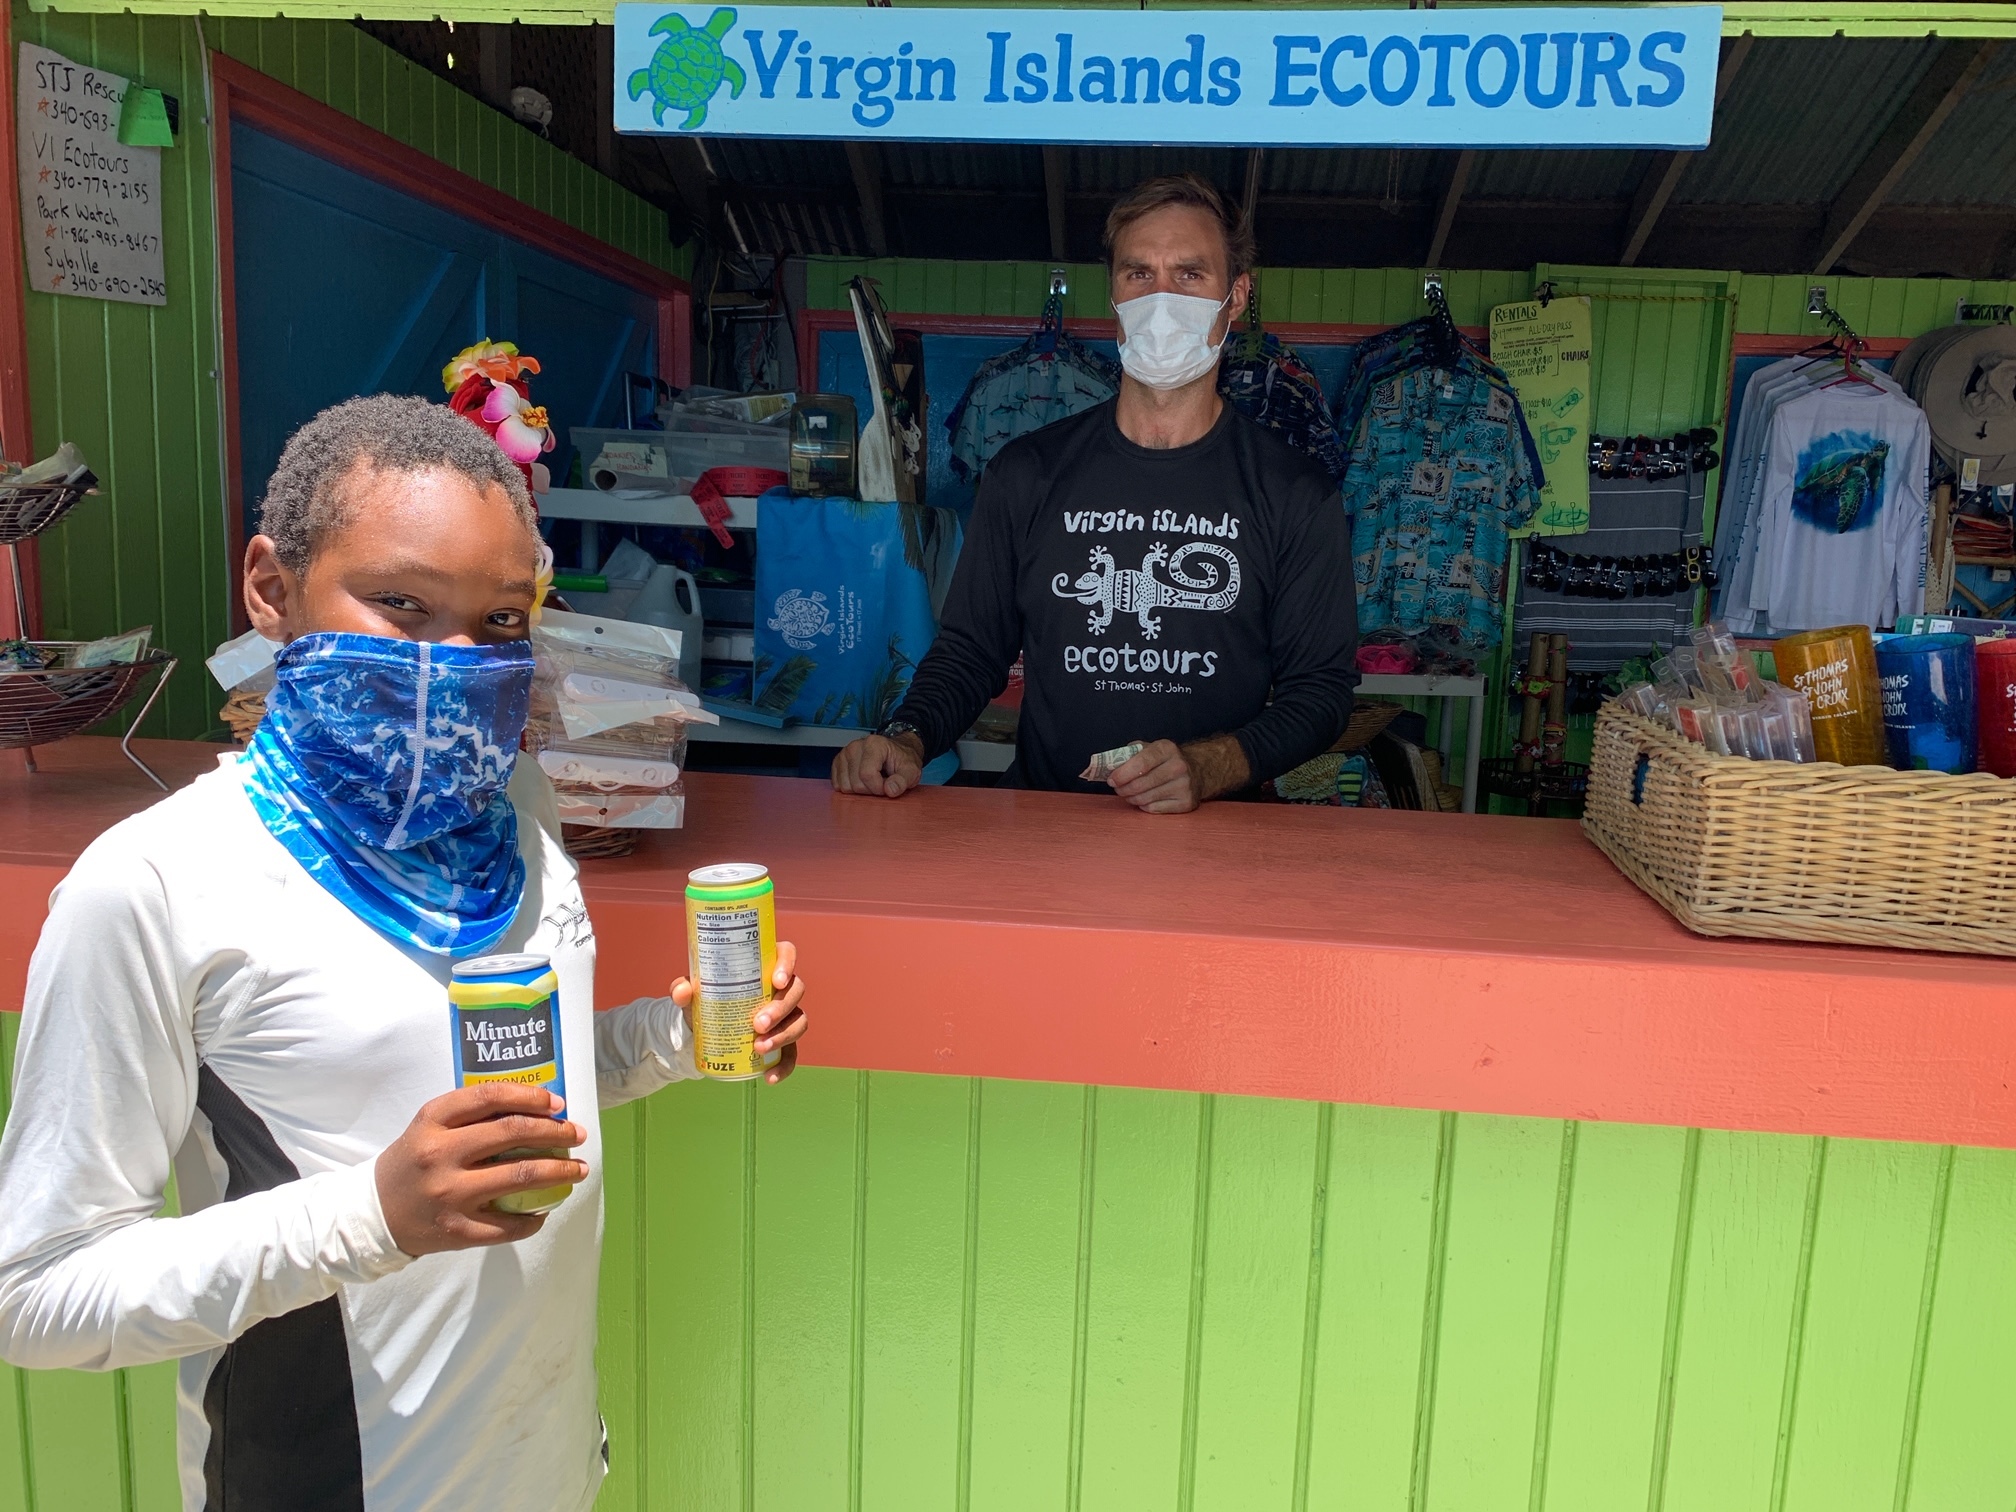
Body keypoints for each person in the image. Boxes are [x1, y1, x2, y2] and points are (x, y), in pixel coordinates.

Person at [0, 394, 807, 1512]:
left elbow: (512, 1093)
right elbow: (36, 1294)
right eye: (401, 605)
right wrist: (367, 1217)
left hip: (547, 1471)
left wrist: (678, 1040)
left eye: (501, 624)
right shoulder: (154, 886)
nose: (455, 665)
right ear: (271, 589)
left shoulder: (515, 803)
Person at [832, 173, 1358, 812]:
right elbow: (972, 651)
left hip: (1218, 839)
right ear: (1113, 290)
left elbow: (1321, 692)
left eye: (1190, 275)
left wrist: (1212, 765)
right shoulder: (1027, 472)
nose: (1161, 299)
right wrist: (906, 737)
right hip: (1050, 825)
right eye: (1139, 274)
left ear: (1236, 294)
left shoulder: (1293, 491)